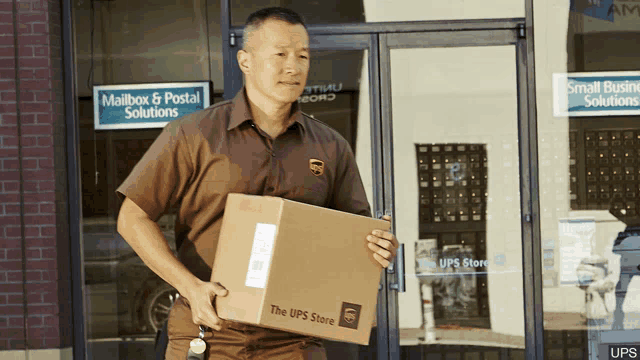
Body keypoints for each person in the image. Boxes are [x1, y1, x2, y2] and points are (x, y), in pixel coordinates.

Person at [115, 7, 399, 360]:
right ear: (245, 61)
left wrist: (378, 247)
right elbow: (132, 218)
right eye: (280, 55)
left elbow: (356, 237)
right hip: (209, 333)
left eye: (303, 56)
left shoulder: (330, 146)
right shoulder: (194, 135)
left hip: (296, 341)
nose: (293, 67)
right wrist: (190, 286)